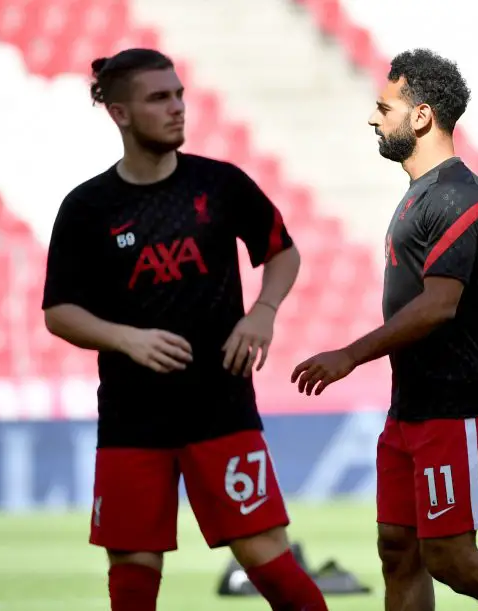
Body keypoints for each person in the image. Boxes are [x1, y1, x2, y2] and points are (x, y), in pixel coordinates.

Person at [42, 48, 328, 611]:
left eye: (178, 94)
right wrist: (126, 338)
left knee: (267, 555)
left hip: (219, 404)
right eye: (159, 98)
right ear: (120, 113)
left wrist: (263, 312)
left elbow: (283, 253)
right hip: (131, 414)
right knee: (131, 567)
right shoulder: (87, 207)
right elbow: (59, 312)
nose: (177, 108)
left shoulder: (220, 184)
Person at [292, 49, 478, 611]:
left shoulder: (456, 194)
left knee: (450, 558)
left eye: (383, 106)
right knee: (398, 548)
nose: (373, 118)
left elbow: (440, 305)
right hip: (411, 405)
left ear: (420, 117)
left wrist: (349, 354)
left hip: (454, 402)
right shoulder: (419, 194)